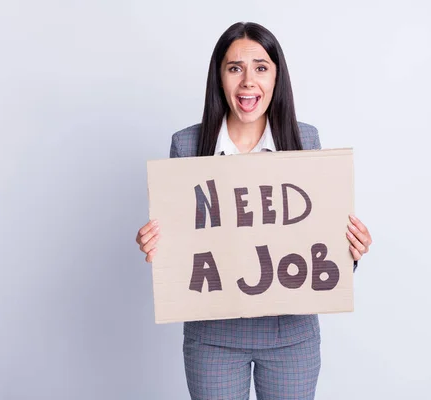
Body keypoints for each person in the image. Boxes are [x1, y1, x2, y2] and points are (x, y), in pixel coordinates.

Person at [136, 22, 372, 400]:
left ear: (277, 77)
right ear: (220, 78)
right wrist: (158, 249)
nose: (248, 81)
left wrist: (350, 252)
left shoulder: (306, 141)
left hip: (291, 337)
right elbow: (183, 255)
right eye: (235, 68)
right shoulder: (187, 145)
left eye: (261, 67)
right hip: (213, 337)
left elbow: (317, 247)